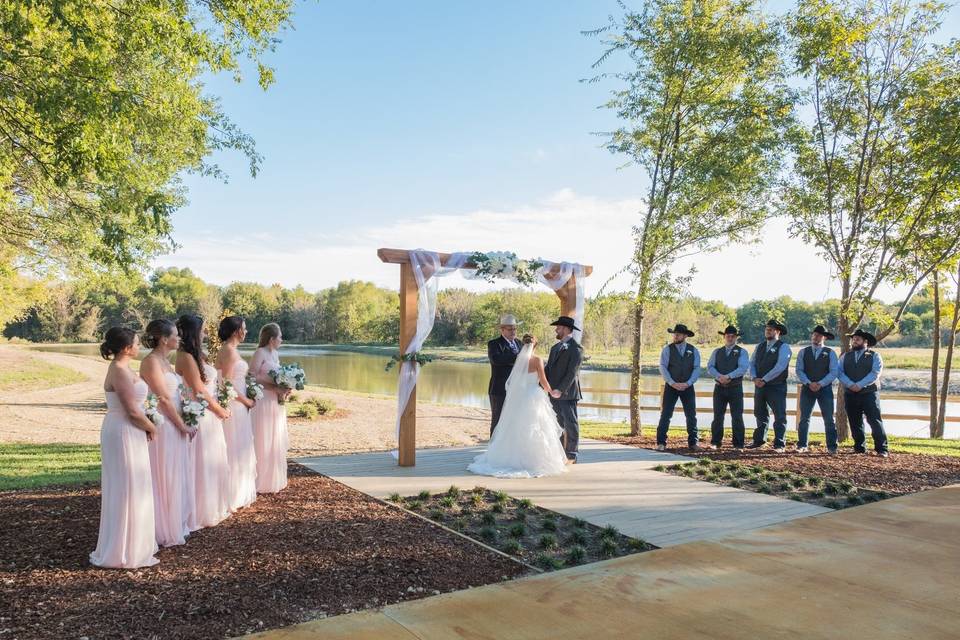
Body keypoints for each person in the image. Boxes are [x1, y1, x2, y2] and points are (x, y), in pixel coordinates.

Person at [89, 327, 159, 569]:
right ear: (127, 347)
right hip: (122, 429)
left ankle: (136, 544)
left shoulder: (125, 368)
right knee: (126, 485)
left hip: (130, 428)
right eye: (137, 343)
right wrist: (153, 427)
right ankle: (122, 550)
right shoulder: (118, 370)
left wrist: (147, 422)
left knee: (134, 483)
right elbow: (131, 410)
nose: (140, 346)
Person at [468, 334, 569, 478]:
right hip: (534, 395)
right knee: (536, 426)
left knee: (516, 426)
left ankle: (512, 457)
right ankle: (534, 461)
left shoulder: (518, 360)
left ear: (523, 345)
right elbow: (543, 380)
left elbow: (514, 381)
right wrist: (551, 391)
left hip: (520, 397)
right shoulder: (537, 360)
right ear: (535, 345)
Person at [140, 319, 195, 548]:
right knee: (164, 472)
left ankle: (176, 522)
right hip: (164, 425)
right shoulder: (151, 362)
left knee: (176, 471)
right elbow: (162, 399)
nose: (179, 339)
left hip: (175, 421)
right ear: (164, 339)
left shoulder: (165, 361)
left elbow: (177, 394)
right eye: (175, 335)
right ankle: (163, 528)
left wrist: (192, 412)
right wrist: (182, 425)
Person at [176, 314, 232, 529]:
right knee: (201, 462)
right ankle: (199, 511)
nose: (206, 333)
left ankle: (213, 506)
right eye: (203, 330)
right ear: (194, 332)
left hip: (209, 413)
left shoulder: (196, 355)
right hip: (202, 413)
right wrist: (220, 410)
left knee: (212, 459)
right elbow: (199, 391)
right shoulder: (185, 357)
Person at [216, 316, 258, 511]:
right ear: (236, 331)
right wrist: (247, 400)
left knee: (239, 445)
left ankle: (238, 491)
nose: (246, 331)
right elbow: (227, 384)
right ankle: (231, 494)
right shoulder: (229, 351)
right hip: (234, 405)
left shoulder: (229, 349)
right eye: (244, 328)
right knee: (234, 446)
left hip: (238, 403)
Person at [249, 322, 290, 493]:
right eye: (280, 336)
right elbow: (251, 377)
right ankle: (260, 480)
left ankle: (274, 479)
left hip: (275, 401)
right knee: (263, 436)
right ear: (272, 338)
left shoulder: (275, 354)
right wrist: (273, 387)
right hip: (264, 399)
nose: (281, 339)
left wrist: (286, 387)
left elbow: (279, 376)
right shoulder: (260, 352)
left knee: (275, 437)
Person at [838, 328, 889, 457]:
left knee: (874, 421)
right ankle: (859, 447)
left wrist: (860, 385)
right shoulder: (845, 356)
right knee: (855, 421)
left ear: (865, 341)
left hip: (869, 393)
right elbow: (839, 372)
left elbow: (875, 373)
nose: (854, 341)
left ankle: (882, 449)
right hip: (850, 393)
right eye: (853, 339)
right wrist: (850, 384)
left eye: (857, 339)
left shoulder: (874, 356)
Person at [747, 319, 792, 453]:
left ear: (778, 332)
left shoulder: (784, 347)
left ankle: (779, 444)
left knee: (779, 415)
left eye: (771, 329)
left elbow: (780, 367)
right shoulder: (759, 346)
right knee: (760, 413)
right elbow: (752, 363)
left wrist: (765, 379)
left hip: (776, 386)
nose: (768, 331)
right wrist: (754, 377)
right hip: (760, 385)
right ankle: (759, 441)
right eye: (766, 329)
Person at [544, 316, 584, 463]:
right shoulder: (555, 348)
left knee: (571, 423)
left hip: (567, 393)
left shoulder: (576, 349)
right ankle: (559, 454)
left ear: (566, 329)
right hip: (552, 393)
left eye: (558, 327)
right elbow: (548, 369)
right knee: (557, 424)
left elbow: (572, 373)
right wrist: (543, 386)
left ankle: (572, 454)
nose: (556, 329)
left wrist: (560, 389)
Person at [655, 324, 701, 451]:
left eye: (678, 334)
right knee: (666, 414)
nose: (675, 336)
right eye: (674, 334)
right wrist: (671, 382)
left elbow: (697, 368)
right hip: (671, 386)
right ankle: (661, 443)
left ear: (685, 336)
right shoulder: (667, 349)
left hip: (688, 386)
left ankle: (693, 443)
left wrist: (688, 383)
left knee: (691, 415)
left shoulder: (694, 350)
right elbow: (662, 367)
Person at [795, 325, 839, 454]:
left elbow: (834, 372)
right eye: (814, 334)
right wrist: (809, 383)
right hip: (807, 388)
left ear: (824, 337)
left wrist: (820, 383)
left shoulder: (830, 352)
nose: (816, 337)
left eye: (819, 335)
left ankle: (832, 447)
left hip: (824, 389)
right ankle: (802, 445)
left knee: (829, 418)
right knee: (804, 418)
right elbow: (799, 370)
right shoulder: (803, 351)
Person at [706, 325, 749, 450]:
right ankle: (715, 442)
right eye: (728, 336)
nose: (730, 338)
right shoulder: (716, 352)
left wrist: (729, 376)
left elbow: (742, 368)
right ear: (724, 337)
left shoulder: (742, 352)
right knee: (718, 416)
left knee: (737, 416)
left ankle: (738, 444)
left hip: (735, 388)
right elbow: (710, 367)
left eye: (733, 336)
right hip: (719, 388)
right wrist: (719, 377)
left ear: (736, 338)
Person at [487, 314, 522, 435]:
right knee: (498, 419)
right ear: (502, 330)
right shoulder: (494, 344)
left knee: (514, 419)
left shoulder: (520, 344)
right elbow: (496, 360)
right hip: (499, 389)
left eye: (514, 328)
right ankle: (493, 448)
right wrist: (519, 357)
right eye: (510, 329)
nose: (513, 331)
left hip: (517, 389)